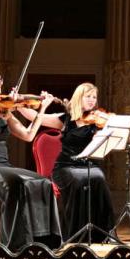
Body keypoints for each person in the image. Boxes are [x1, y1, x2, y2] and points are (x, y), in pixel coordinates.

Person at [0, 49, 61, 250]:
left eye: (1, 79)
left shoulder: (3, 110)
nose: (0, 82)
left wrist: (42, 109)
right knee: (15, 184)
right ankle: (11, 245)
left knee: (42, 182)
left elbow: (28, 135)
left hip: (2, 165)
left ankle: (43, 241)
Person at [17, 82, 115, 243]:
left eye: (94, 97)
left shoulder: (97, 121)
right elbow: (34, 117)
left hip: (88, 165)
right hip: (65, 167)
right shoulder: (66, 119)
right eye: (88, 96)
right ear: (79, 98)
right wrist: (18, 104)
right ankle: (75, 234)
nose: (92, 100)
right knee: (78, 180)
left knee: (99, 178)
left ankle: (103, 234)